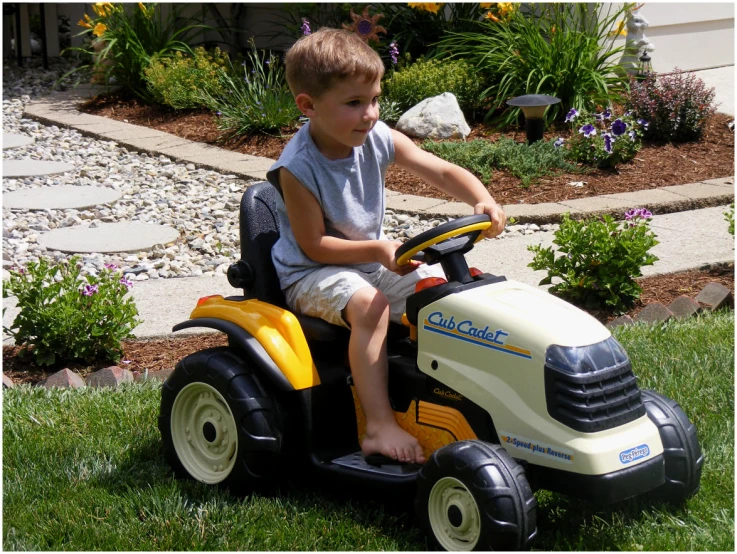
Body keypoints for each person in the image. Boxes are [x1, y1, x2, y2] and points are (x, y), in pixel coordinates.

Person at [266, 28, 506, 465]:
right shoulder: (297, 169)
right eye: (354, 103)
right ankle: (378, 424)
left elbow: (442, 171)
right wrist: (378, 250)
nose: (370, 114)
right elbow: (314, 245)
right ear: (308, 106)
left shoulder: (376, 138)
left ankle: (462, 397)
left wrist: (480, 198)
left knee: (443, 295)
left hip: (370, 261)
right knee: (371, 306)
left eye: (374, 99)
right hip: (311, 273)